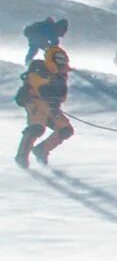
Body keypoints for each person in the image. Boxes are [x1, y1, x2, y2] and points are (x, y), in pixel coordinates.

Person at [15, 35, 73, 167]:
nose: (62, 62)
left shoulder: (62, 75)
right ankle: (22, 156)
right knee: (36, 128)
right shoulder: (38, 70)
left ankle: (42, 150)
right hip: (35, 104)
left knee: (65, 130)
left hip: (52, 107)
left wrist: (56, 98)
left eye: (63, 59)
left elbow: (62, 96)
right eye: (59, 59)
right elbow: (39, 88)